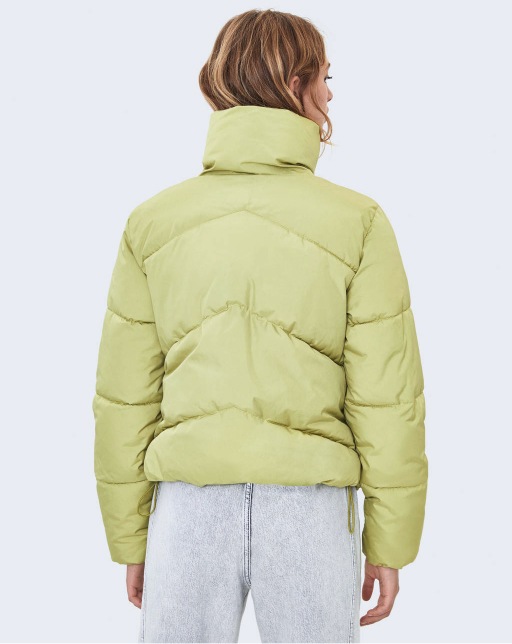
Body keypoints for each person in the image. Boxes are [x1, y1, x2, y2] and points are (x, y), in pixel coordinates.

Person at [92, 8, 428, 644]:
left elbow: (124, 400)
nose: (330, 94)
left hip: (188, 504)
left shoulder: (153, 222)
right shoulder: (358, 222)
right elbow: (387, 400)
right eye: (326, 77)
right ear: (295, 81)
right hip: (310, 508)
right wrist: (390, 542)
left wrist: (131, 537)